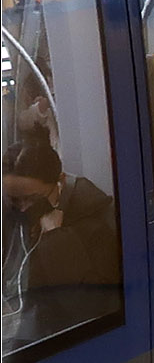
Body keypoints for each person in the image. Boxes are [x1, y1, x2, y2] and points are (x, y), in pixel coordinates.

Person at [3, 138, 120, 345]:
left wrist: (57, 240)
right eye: (15, 199)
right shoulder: (14, 216)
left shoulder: (95, 222)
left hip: (63, 341)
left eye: (32, 198)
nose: (23, 208)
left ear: (60, 181)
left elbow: (92, 306)